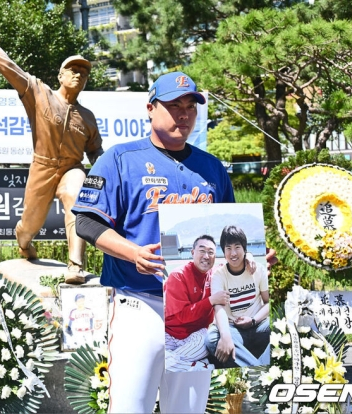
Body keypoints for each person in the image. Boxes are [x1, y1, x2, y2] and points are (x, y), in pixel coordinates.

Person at [73, 71, 234, 413]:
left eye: (191, 106)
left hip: (195, 314)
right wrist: (131, 253)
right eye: (174, 104)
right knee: (131, 408)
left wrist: (249, 262)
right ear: (150, 108)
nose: (184, 113)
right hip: (139, 304)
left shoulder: (212, 168)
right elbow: (86, 221)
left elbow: (229, 234)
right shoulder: (119, 159)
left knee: (187, 409)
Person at [0, 7, 104, 284]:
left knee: (77, 197)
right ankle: (24, 243)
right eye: (72, 70)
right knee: (29, 226)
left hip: (71, 169)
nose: (78, 75)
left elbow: (95, 151)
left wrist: (105, 169)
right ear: (60, 75)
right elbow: (8, 66)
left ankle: (75, 265)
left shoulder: (87, 117)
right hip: (43, 167)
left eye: (83, 73)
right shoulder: (39, 93)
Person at [206, 225, 270, 368]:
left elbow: (268, 302)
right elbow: (219, 308)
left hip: (258, 325)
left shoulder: (258, 269)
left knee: (281, 322)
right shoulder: (219, 276)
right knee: (212, 339)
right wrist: (225, 335)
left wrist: (253, 320)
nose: (233, 253)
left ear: (244, 249)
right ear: (223, 251)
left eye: (237, 247)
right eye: (228, 248)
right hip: (233, 329)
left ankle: (255, 368)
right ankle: (261, 369)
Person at [164, 235, 230, 372]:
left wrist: (249, 257)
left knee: (207, 338)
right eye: (202, 251)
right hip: (169, 333)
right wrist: (212, 300)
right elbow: (181, 316)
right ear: (192, 252)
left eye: (211, 252)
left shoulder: (215, 275)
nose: (206, 256)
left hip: (195, 336)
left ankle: (170, 364)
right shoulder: (178, 275)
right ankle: (200, 367)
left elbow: (234, 261)